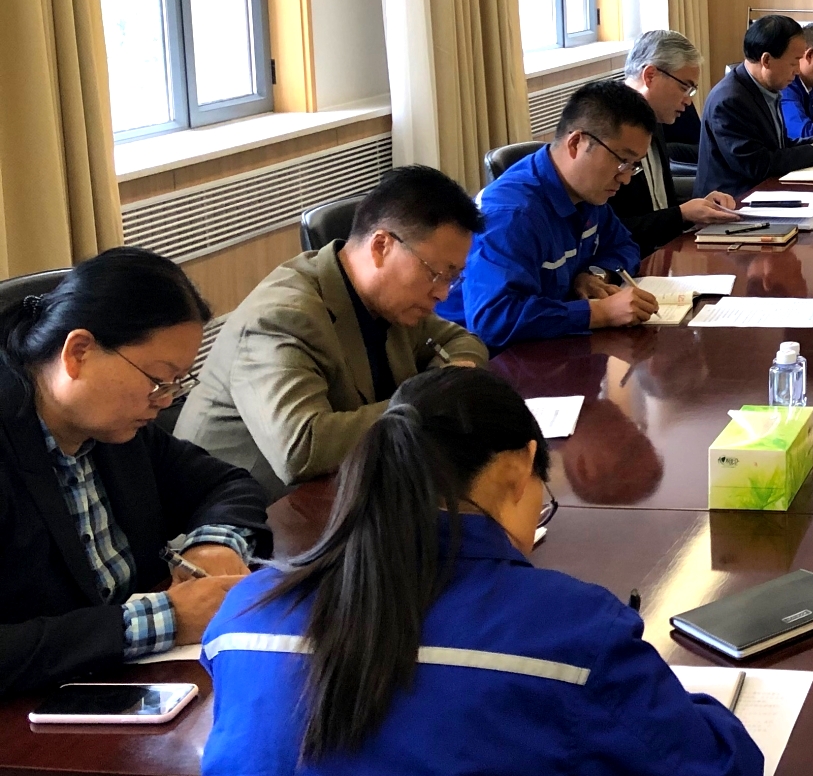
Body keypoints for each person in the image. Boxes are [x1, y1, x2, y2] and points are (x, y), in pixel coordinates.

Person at [201, 366, 762, 775]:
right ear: (519, 468)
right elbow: (720, 766)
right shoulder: (571, 631)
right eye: (543, 496)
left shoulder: (244, 612)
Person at [0, 248, 270, 697]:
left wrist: (213, 544)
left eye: (177, 383)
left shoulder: (118, 430)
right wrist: (164, 620)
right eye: (159, 380)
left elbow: (228, 484)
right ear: (78, 352)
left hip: (135, 685)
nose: (165, 401)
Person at [177, 166, 492, 501]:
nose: (442, 293)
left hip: (345, 489)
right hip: (247, 511)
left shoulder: (393, 301)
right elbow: (302, 448)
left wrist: (446, 378)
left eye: (453, 277)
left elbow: (462, 341)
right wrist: (431, 400)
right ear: (381, 246)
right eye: (436, 273)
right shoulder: (283, 316)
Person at [438, 81, 664, 350]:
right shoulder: (511, 214)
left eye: (633, 166)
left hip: (555, 344)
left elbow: (624, 245)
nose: (626, 178)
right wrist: (600, 312)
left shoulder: (588, 193)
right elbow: (493, 320)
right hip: (489, 358)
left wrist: (593, 275)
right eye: (622, 161)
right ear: (576, 143)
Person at [611, 30, 743, 255]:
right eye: (684, 87)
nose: (688, 100)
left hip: (664, 254)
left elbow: (660, 206)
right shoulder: (609, 131)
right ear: (650, 75)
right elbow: (611, 231)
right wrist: (681, 214)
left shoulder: (655, 121)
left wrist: (699, 206)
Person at [698, 15, 813, 200]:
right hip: (733, 202)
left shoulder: (766, 88)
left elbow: (778, 146)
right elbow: (756, 164)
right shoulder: (730, 100)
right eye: (793, 62)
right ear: (766, 60)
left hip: (765, 192)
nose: (797, 70)